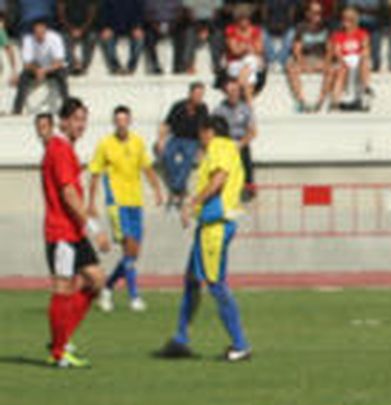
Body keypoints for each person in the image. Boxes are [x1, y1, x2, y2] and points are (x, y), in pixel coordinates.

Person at [160, 114, 251, 362]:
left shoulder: (220, 146)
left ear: (209, 131)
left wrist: (193, 202)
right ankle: (180, 339)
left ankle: (240, 344)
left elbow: (219, 179)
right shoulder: (226, 148)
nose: (200, 138)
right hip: (208, 226)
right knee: (192, 279)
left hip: (216, 227)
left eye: (201, 133)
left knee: (216, 284)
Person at [41, 97, 111, 369]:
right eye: (77, 120)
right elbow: (68, 194)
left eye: (84, 120)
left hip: (73, 232)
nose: (81, 125)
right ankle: (59, 351)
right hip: (61, 232)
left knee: (96, 280)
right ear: (63, 121)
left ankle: (61, 340)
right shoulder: (59, 149)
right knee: (63, 288)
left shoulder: (65, 148)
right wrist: (93, 228)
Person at [88, 103, 164, 313]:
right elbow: (95, 173)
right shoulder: (105, 144)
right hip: (117, 203)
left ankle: (107, 288)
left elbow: (147, 168)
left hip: (135, 202)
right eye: (118, 120)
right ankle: (134, 296)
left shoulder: (138, 142)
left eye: (124, 120)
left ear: (129, 121)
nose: (121, 124)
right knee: (128, 247)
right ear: (114, 122)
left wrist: (157, 189)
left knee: (134, 253)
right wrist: (91, 202)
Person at [156, 81, 207, 204]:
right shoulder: (178, 106)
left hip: (192, 140)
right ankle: (180, 188)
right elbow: (167, 124)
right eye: (197, 94)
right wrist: (161, 140)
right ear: (190, 94)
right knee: (166, 154)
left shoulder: (203, 108)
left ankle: (175, 189)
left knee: (188, 158)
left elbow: (204, 129)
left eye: (201, 95)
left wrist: (203, 147)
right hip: (176, 138)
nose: (199, 97)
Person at [12, 20, 68, 116]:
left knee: (61, 76)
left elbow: (59, 61)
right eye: (37, 32)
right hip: (36, 68)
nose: (39, 35)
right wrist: (37, 70)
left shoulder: (55, 38)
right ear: (33, 32)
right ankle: (17, 109)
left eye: (42, 32)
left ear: (46, 30)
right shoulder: (28, 39)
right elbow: (27, 63)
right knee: (23, 77)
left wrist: (44, 71)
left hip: (52, 68)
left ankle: (67, 106)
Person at [212, 74, 256, 192]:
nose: (233, 94)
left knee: (244, 154)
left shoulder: (246, 109)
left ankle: (248, 186)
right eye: (230, 91)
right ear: (225, 93)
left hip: (241, 142)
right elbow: (214, 131)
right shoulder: (219, 110)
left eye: (235, 91)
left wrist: (240, 143)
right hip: (225, 143)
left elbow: (252, 131)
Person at [326, 4, 372, 109]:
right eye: (344, 18)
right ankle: (335, 102)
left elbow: (366, 49)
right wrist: (343, 61)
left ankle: (366, 91)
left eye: (350, 19)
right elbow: (337, 52)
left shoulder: (362, 34)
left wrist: (361, 57)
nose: (347, 21)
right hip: (344, 59)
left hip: (358, 58)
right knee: (341, 69)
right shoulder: (338, 35)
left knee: (364, 61)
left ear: (356, 20)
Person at [287, 1, 331, 108]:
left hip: (320, 59)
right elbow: (297, 50)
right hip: (306, 58)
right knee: (290, 67)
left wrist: (326, 63)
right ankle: (301, 101)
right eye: (314, 12)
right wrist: (303, 64)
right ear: (308, 14)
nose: (318, 15)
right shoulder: (301, 28)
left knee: (333, 69)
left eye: (319, 12)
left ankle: (321, 101)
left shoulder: (326, 27)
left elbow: (330, 50)